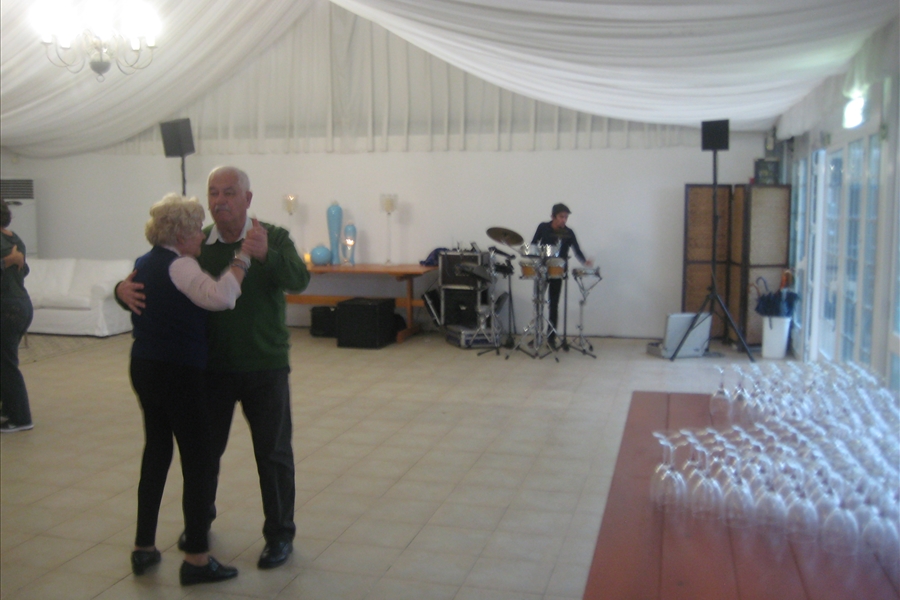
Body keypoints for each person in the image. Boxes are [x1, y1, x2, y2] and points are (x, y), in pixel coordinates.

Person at [117, 166, 310, 570]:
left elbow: (299, 279)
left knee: (273, 454)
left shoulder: (271, 236)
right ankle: (199, 529)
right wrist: (120, 291)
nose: (219, 200)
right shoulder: (194, 241)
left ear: (247, 198)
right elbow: (155, 277)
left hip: (264, 364)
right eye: (213, 193)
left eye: (229, 192)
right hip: (211, 369)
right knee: (204, 455)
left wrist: (266, 255)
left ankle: (279, 535)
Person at [129, 194, 247, 585]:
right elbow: (222, 297)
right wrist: (242, 261)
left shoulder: (143, 262)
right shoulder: (180, 265)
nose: (201, 235)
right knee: (199, 460)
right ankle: (196, 558)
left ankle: (144, 547)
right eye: (196, 229)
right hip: (177, 371)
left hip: (145, 365)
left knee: (156, 452)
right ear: (180, 235)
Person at [531, 203, 592, 345]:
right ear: (553, 216)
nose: (564, 220)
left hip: (558, 270)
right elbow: (533, 244)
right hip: (542, 268)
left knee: (554, 304)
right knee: (538, 302)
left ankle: (551, 337)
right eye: (561, 217)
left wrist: (584, 261)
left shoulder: (568, 233)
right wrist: (533, 257)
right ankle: (537, 335)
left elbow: (576, 250)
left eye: (566, 217)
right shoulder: (543, 227)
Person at [0, 200, 34, 433]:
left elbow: (17, 265)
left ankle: (21, 418)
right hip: (21, 304)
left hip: (7, 307)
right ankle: (9, 409)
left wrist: (6, 261)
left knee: (6, 364)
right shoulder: (15, 238)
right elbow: (25, 269)